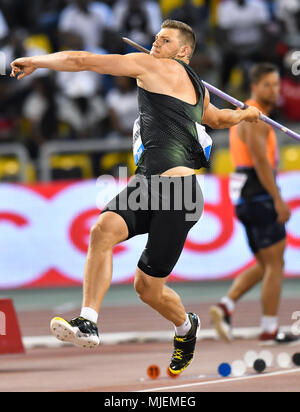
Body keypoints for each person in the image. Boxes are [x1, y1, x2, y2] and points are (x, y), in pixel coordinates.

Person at [11, 19, 260, 375]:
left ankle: (186, 327)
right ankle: (88, 321)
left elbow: (83, 61)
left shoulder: (166, 72)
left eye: (166, 40)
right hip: (145, 185)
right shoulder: (185, 80)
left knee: (148, 289)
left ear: (184, 51)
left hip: (180, 194)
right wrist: (244, 114)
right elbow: (217, 118)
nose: (156, 43)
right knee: (102, 231)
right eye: (156, 38)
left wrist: (37, 61)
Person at [210, 63, 297, 344]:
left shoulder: (246, 113)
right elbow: (260, 161)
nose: (274, 90)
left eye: (276, 84)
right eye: (268, 85)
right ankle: (269, 329)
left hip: (245, 194)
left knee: (263, 263)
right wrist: (277, 199)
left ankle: (226, 306)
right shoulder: (255, 118)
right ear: (255, 87)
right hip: (259, 193)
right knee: (275, 264)